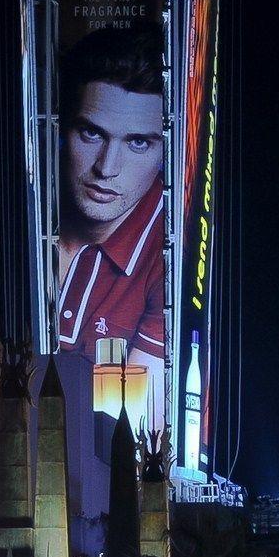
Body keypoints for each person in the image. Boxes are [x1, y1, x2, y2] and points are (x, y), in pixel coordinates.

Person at [49, 26, 168, 416]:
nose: (107, 168)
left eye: (138, 143)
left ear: (164, 151)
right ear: (63, 130)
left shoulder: (168, 258)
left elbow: (129, 429)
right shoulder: (22, 212)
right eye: (92, 133)